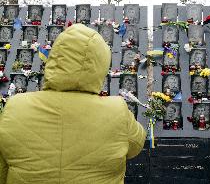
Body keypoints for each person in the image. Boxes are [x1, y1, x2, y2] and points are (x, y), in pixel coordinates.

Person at [0, 24, 146, 184]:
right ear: (101, 65)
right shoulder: (117, 111)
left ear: (55, 58)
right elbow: (136, 145)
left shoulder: (16, 107)